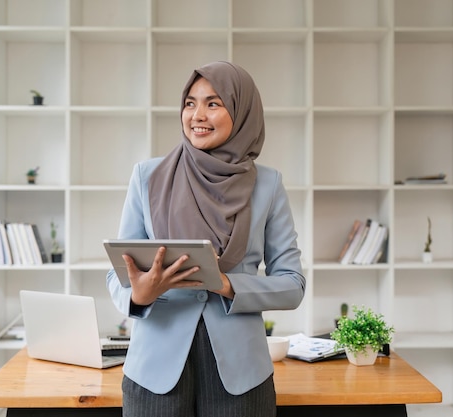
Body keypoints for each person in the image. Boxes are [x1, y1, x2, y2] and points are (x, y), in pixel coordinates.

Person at [106, 61, 306, 417]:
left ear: (242, 111)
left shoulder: (268, 185)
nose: (198, 115)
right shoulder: (147, 176)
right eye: (190, 103)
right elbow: (117, 274)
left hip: (241, 373)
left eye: (213, 103)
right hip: (154, 371)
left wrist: (228, 284)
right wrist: (138, 295)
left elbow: (292, 284)